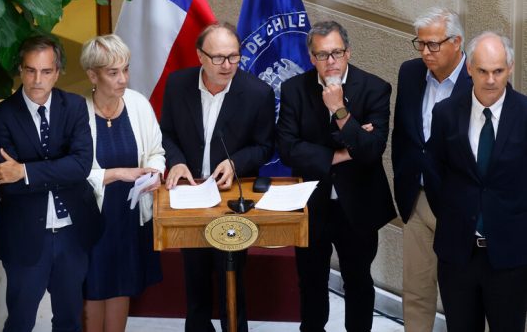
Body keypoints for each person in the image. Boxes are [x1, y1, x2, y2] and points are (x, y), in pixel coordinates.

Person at [277, 20, 396, 332]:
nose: (330, 61)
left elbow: (371, 152)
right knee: (311, 280)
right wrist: (342, 153)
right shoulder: (294, 89)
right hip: (311, 204)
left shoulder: (375, 88)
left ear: (348, 52)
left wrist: (340, 111)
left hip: (357, 204)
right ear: (311, 57)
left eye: (336, 53)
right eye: (321, 55)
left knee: (357, 280)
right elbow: (288, 149)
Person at [160, 22, 275, 332]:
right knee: (194, 279)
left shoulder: (257, 93)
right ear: (200, 56)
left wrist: (236, 162)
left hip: (230, 200)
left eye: (234, 57)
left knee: (231, 279)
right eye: (219, 58)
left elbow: (265, 147)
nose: (228, 66)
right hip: (191, 194)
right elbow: (167, 133)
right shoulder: (177, 84)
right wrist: (177, 162)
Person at [0, 36, 102, 332]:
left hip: (72, 233)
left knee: (69, 320)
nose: (38, 80)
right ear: (21, 71)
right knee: (20, 321)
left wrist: (25, 170)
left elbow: (80, 166)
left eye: (46, 71)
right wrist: (54, 171)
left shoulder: (75, 106)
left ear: (58, 71)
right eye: (30, 70)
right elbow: (6, 181)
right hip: (25, 235)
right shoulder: (1, 115)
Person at [426, 32, 527, 332]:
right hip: (458, 254)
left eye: (498, 71)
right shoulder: (445, 113)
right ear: (469, 68)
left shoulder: (525, 115)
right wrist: (453, 216)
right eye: (483, 70)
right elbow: (434, 175)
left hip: (510, 258)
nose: (491, 79)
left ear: (510, 68)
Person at [391, 7, 471, 331]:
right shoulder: (409, 73)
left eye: (433, 45)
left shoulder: (478, 80)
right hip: (417, 200)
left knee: (462, 299)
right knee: (416, 293)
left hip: (459, 208)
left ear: (457, 42)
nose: (425, 52)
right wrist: (404, 189)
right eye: (420, 44)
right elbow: (403, 135)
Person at [80, 34, 164, 332]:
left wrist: (154, 172)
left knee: (122, 285)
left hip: (130, 215)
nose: (123, 79)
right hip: (92, 219)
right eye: (113, 73)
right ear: (93, 75)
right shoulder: (78, 111)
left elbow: (156, 152)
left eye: (125, 69)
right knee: (93, 288)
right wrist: (116, 174)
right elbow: (73, 170)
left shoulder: (138, 104)